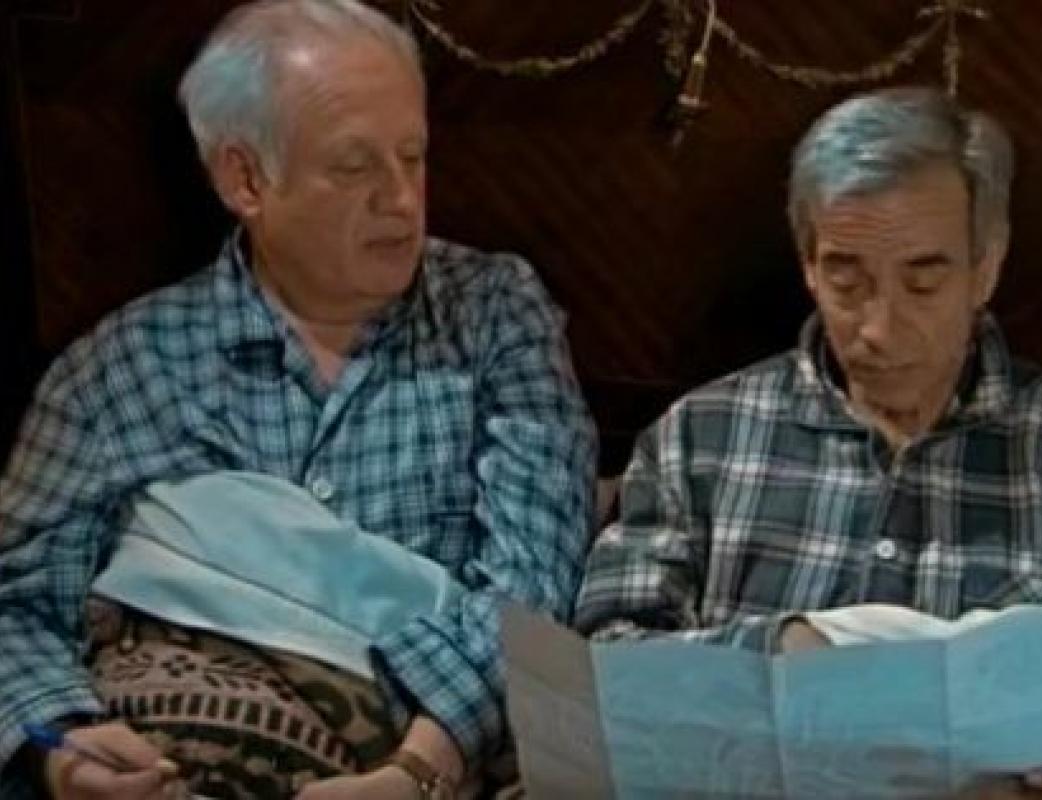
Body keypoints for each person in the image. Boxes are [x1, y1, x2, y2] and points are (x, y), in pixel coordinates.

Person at [0, 1, 596, 798]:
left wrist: (417, 771)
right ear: (245, 178)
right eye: (355, 167)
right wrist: (64, 749)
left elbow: (535, 588)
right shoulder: (118, 371)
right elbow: (14, 607)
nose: (402, 199)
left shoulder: (494, 315)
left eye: (413, 156)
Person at [574, 86, 1042, 798]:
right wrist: (775, 653)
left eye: (923, 284)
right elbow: (600, 673)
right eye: (847, 281)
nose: (879, 329)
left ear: (986, 266)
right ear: (809, 265)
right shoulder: (699, 438)